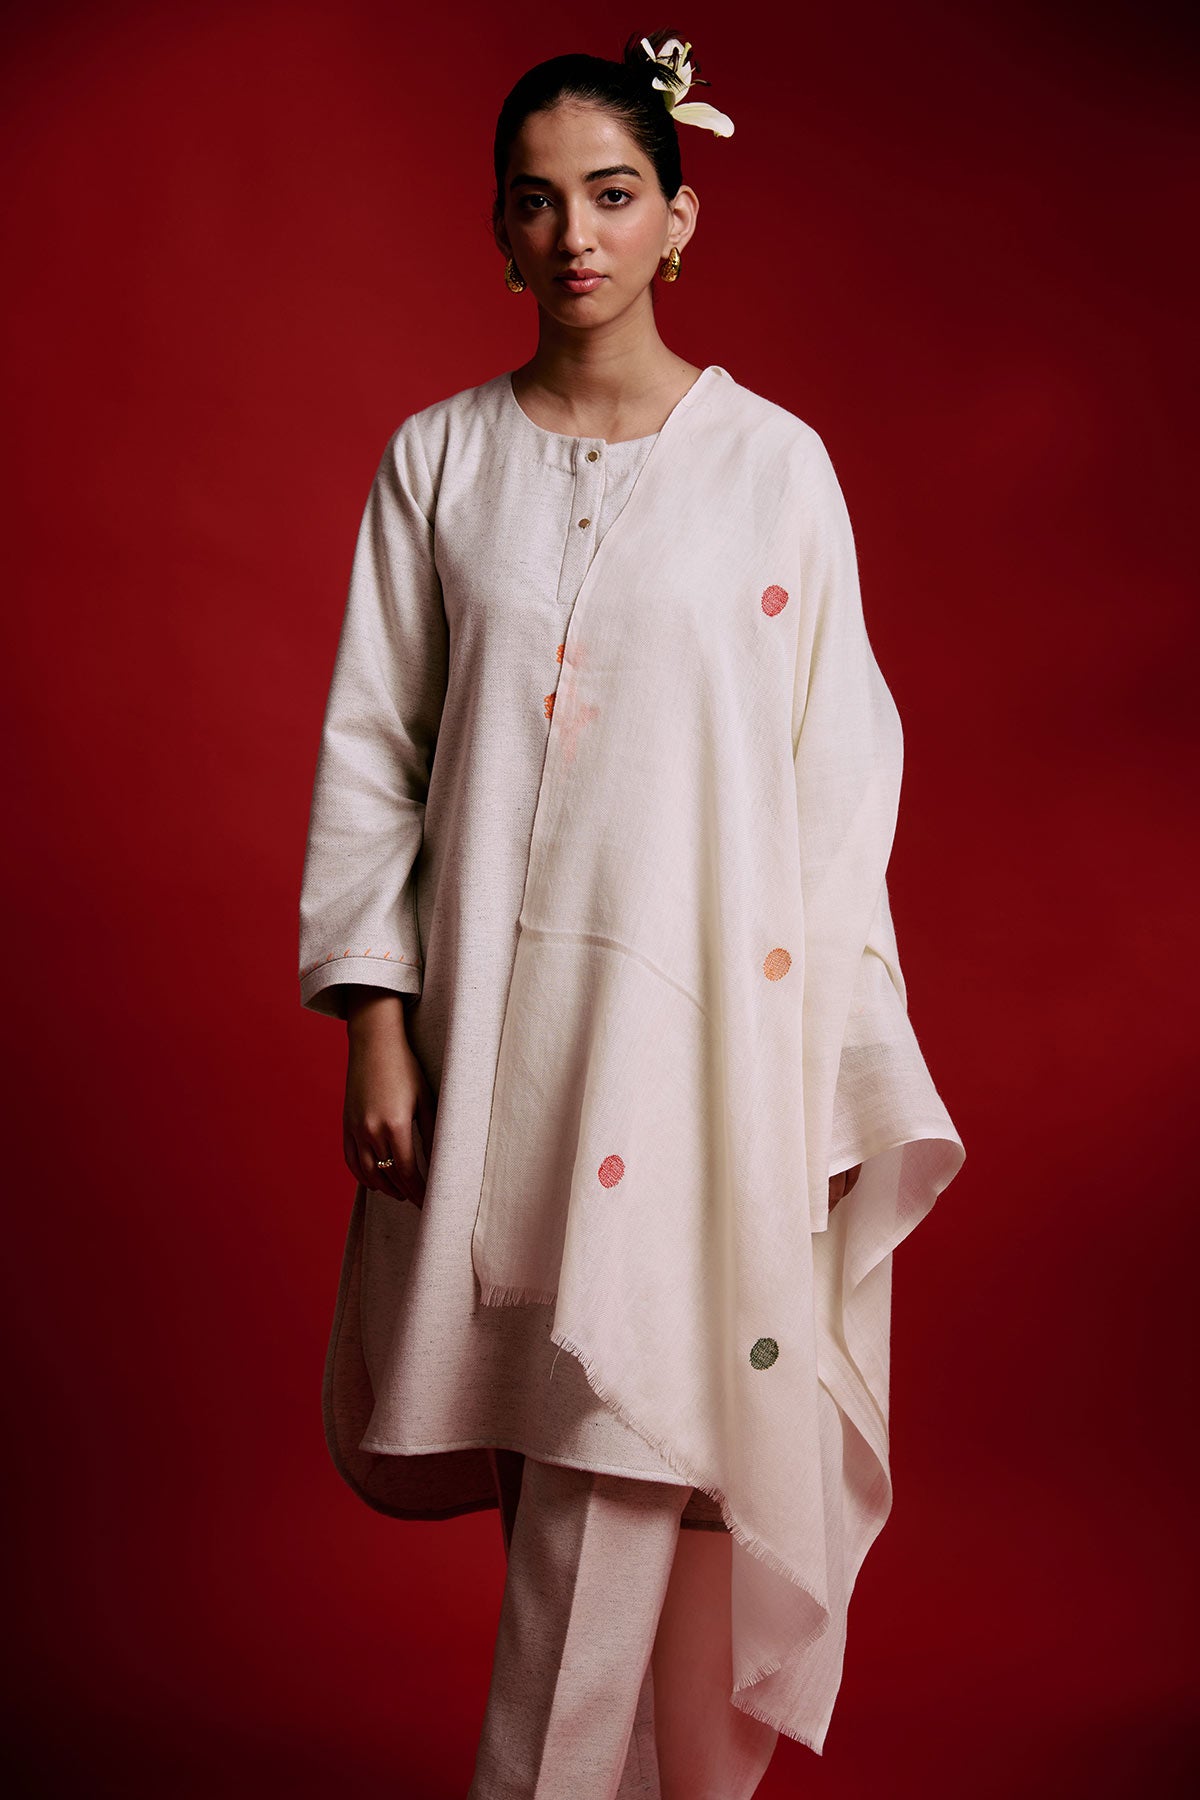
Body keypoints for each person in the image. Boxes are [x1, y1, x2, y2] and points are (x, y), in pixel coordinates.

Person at [297, 29, 965, 1800]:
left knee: (617, 1461)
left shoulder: (775, 472)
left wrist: (817, 1076)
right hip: (494, 1056)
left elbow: (839, 781)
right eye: (537, 202)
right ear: (498, 232)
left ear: (681, 216)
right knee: (563, 1465)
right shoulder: (437, 465)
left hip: (694, 1058)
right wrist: (376, 1021)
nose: (574, 235)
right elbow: (375, 747)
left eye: (610, 195)